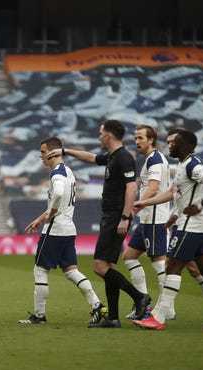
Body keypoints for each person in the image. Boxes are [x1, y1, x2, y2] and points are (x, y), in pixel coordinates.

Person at [132, 129, 203, 330]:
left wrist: (200, 205)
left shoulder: (192, 164)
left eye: (174, 142)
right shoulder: (182, 165)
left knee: (172, 266)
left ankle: (159, 318)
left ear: (185, 145)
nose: (169, 145)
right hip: (199, 225)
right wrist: (145, 202)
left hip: (192, 224)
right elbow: (171, 193)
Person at [48, 120, 151, 328]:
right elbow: (92, 158)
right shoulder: (114, 156)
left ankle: (139, 297)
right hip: (111, 216)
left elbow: (131, 189)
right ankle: (113, 317)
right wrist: (65, 150)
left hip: (116, 217)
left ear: (109, 136)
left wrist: (124, 217)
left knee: (99, 266)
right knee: (108, 267)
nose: (98, 137)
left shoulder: (124, 158)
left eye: (100, 133)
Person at [18, 137, 104, 325]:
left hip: (55, 230)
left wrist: (51, 212)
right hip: (68, 228)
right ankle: (97, 304)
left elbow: (57, 194)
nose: (41, 156)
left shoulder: (57, 173)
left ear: (52, 152)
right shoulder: (69, 172)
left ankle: (39, 315)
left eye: (43, 152)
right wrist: (41, 218)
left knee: (40, 270)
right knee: (71, 271)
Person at [121, 125, 171, 320]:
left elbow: (153, 187)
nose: (137, 141)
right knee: (129, 257)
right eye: (136, 138)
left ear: (151, 140)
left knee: (159, 263)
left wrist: (135, 207)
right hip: (147, 219)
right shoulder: (151, 159)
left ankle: (166, 307)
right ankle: (143, 302)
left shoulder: (156, 160)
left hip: (155, 219)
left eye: (140, 138)